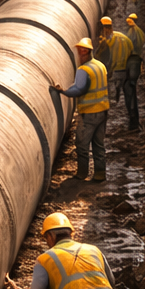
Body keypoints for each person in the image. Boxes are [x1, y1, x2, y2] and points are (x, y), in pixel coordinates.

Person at [53, 37, 109, 182]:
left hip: (89, 113)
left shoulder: (83, 70)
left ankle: (82, 173)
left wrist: (63, 92)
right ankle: (100, 174)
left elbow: (80, 89)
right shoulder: (100, 65)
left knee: (82, 145)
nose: (80, 54)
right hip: (103, 111)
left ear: (84, 52)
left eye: (81, 52)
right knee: (98, 144)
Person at [124, 12, 145, 128]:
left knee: (130, 91)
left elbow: (127, 47)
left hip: (131, 62)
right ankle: (134, 120)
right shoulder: (140, 32)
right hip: (137, 62)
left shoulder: (132, 32)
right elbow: (144, 46)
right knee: (132, 90)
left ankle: (133, 121)